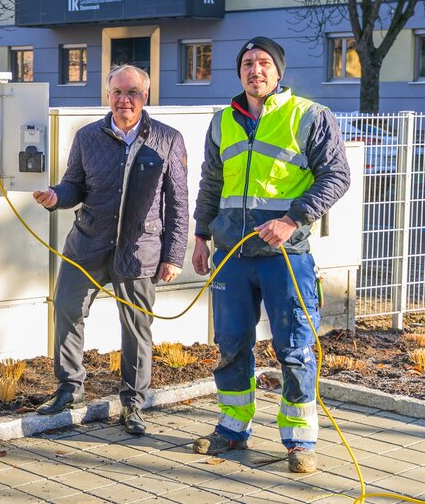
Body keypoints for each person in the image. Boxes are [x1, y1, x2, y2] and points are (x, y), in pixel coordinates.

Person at [191, 37, 350, 473]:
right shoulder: (223, 121)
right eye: (247, 63)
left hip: (285, 255)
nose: (255, 70)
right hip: (231, 254)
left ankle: (299, 441)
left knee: (295, 346)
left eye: (264, 63)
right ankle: (232, 427)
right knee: (230, 344)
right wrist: (202, 235)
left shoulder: (310, 116)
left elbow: (337, 175)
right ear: (239, 71)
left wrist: (293, 219)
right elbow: (211, 181)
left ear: (278, 72)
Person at [33, 65, 188, 437]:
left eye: (132, 92)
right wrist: (56, 196)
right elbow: (74, 185)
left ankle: (133, 402)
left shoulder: (167, 139)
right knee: (67, 309)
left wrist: (174, 255)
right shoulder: (88, 137)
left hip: (140, 250)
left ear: (145, 96)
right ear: (107, 96)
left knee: (137, 327)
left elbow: (178, 201)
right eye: (117, 92)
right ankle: (70, 388)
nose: (124, 100)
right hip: (87, 244)